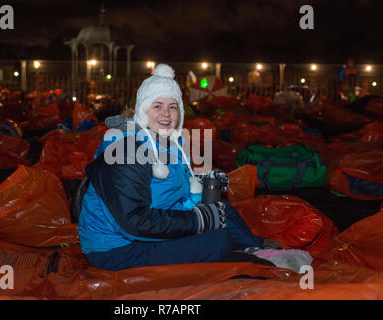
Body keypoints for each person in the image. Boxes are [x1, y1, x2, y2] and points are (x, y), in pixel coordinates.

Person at [78, 64, 311, 272]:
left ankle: (256, 249)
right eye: (157, 106)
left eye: (173, 107)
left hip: (146, 229)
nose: (166, 114)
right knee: (216, 241)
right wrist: (198, 221)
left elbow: (170, 194)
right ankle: (259, 261)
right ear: (142, 111)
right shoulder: (125, 152)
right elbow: (134, 224)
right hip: (117, 248)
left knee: (219, 209)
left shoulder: (169, 144)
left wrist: (203, 185)